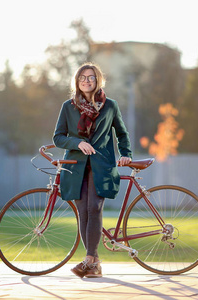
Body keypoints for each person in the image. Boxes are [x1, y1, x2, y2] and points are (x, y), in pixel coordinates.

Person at [53, 62, 132, 278]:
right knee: (83, 212)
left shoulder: (110, 106)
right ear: (77, 82)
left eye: (91, 77)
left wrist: (126, 153)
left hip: (102, 166)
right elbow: (58, 137)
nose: (87, 81)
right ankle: (95, 264)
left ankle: (89, 259)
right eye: (82, 78)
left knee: (94, 208)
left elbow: (121, 134)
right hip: (76, 167)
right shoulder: (68, 106)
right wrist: (77, 143)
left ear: (98, 80)